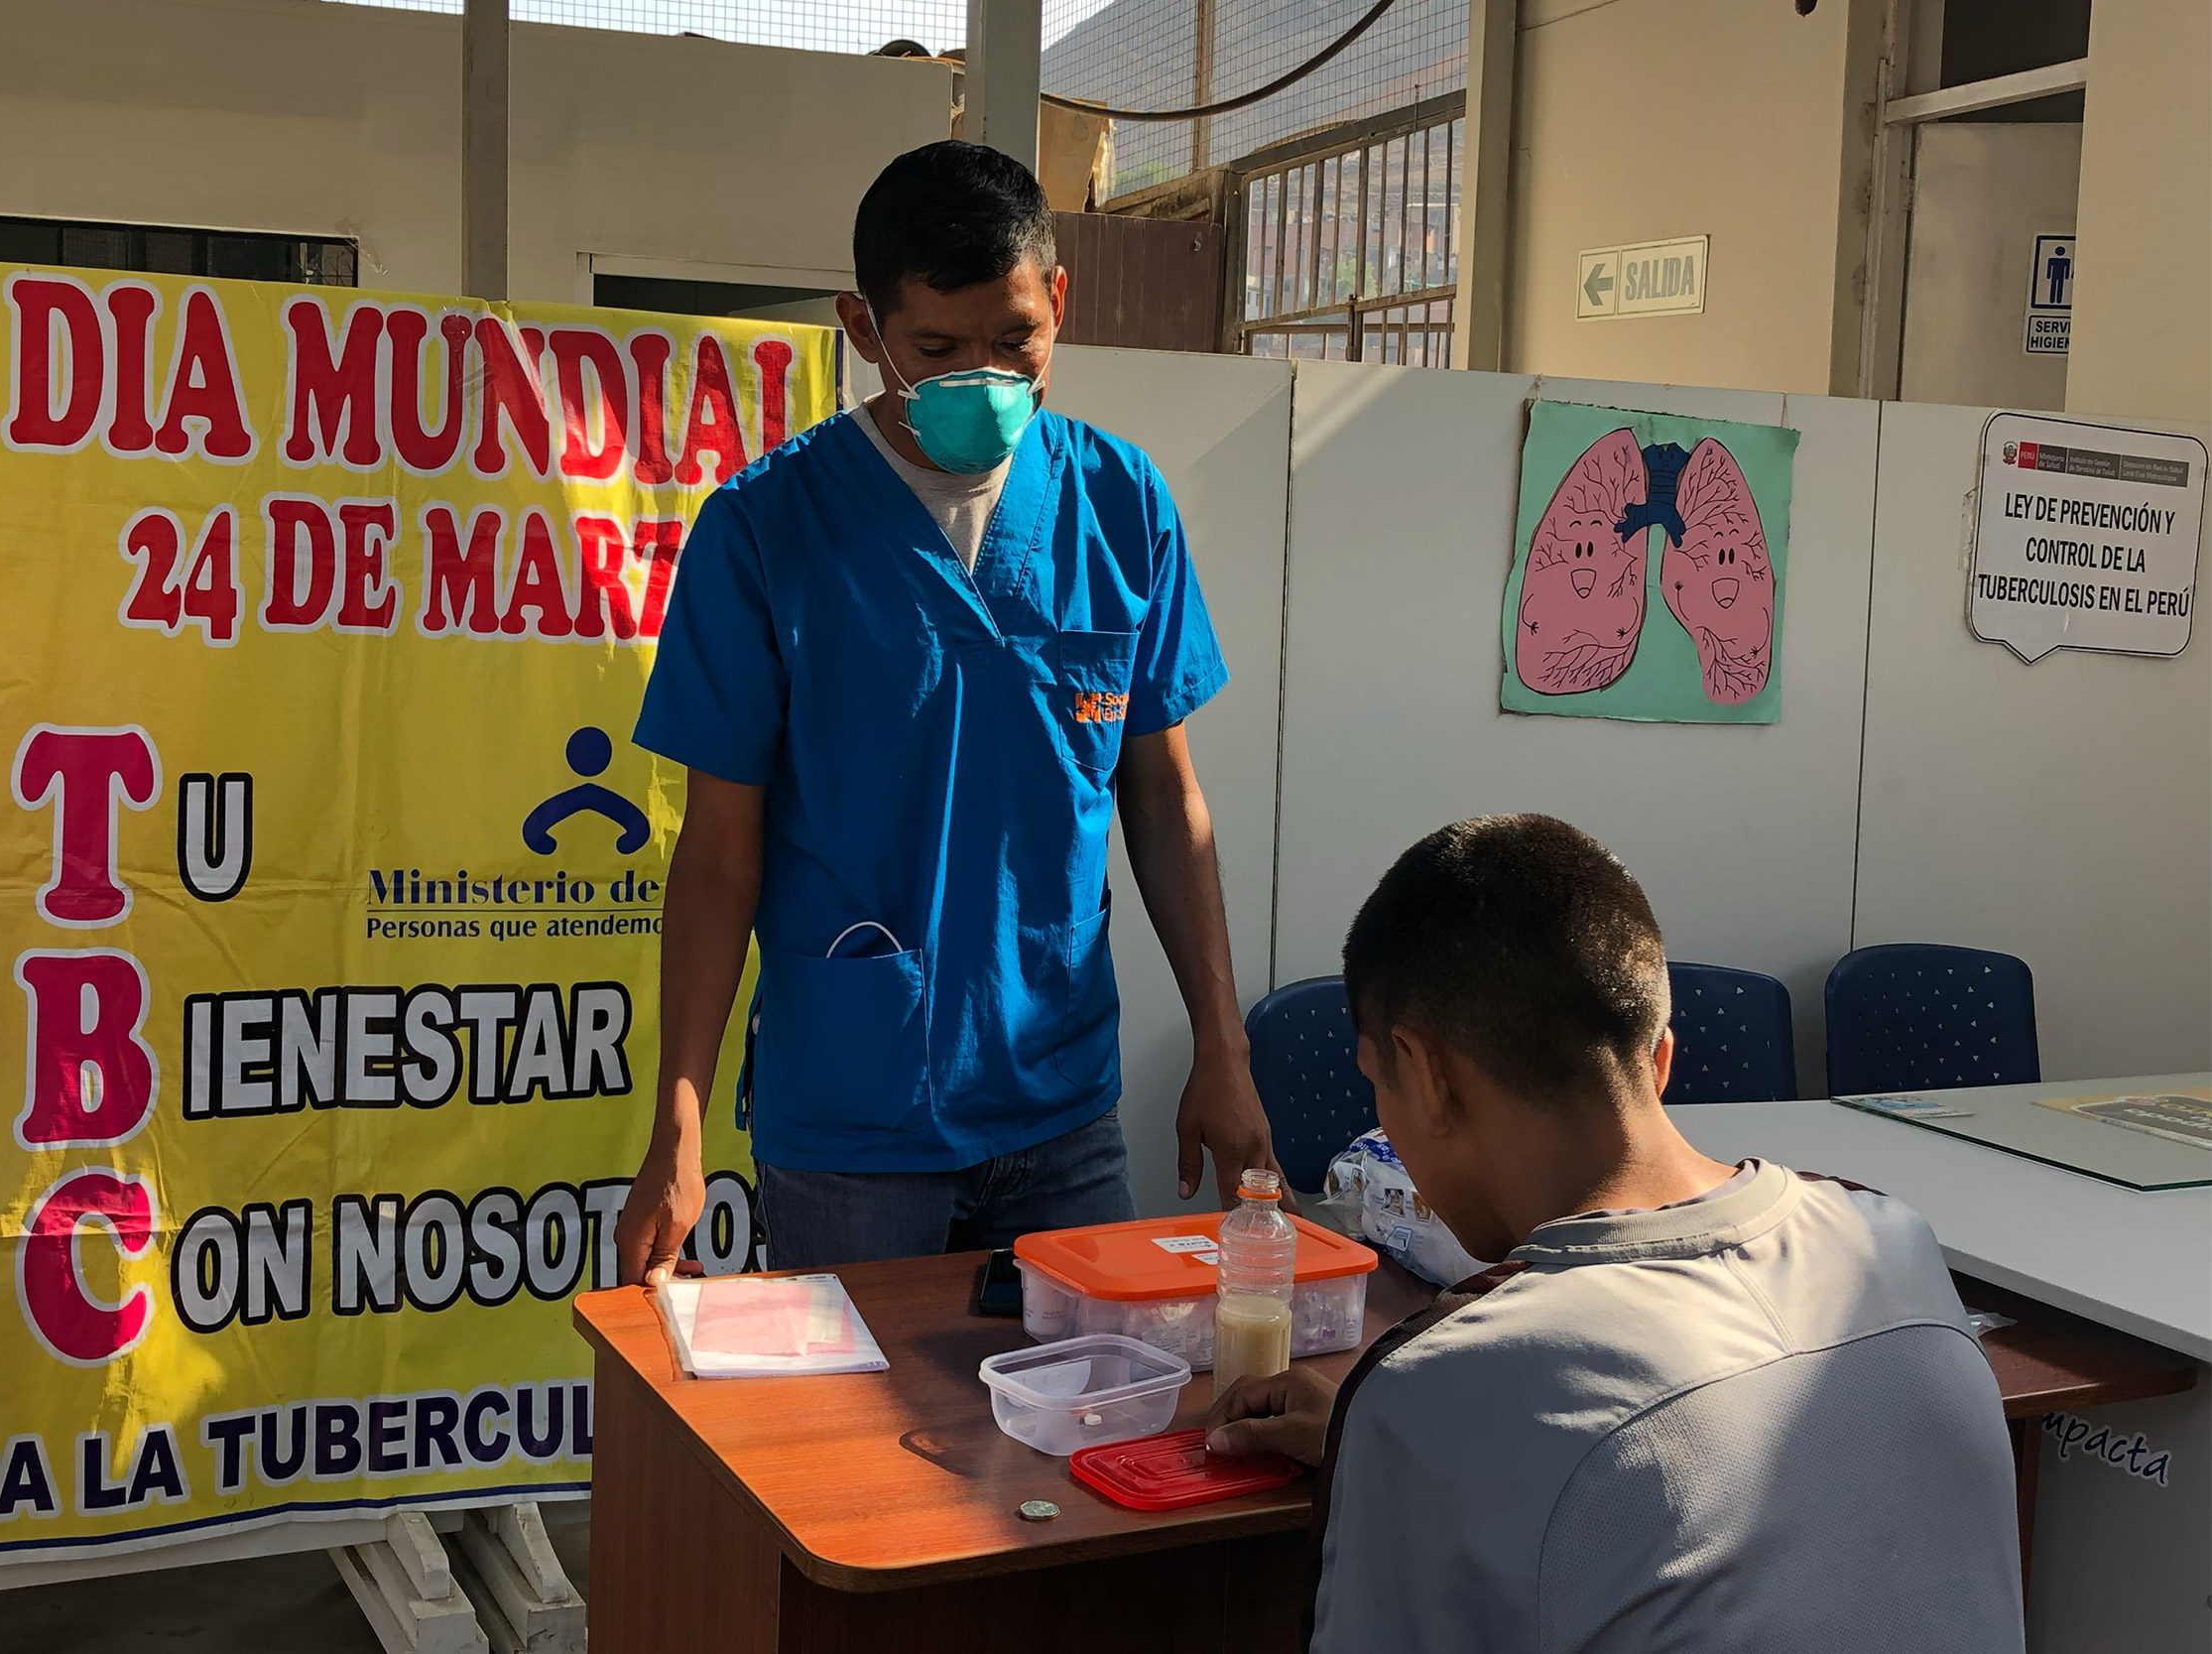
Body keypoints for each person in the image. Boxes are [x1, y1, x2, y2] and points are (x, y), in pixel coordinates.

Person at [617, 140, 1283, 1279]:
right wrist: (678, 1107)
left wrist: (1222, 1046)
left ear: (1057, 301)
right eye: (937, 347)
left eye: (1015, 338)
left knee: (1085, 1427)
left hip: (1062, 1107)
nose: (986, 374)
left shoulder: (1120, 505)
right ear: (863, 327)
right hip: (853, 1124)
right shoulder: (765, 531)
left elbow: (1163, 800)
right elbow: (719, 852)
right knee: (858, 1449)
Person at [1205, 815, 2024, 1653]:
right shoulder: (1893, 1243)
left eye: (1377, 1080)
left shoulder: (1433, 1388)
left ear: (1427, 1073)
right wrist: (1389, 1441)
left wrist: (1401, 1438)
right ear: (1660, 1058)